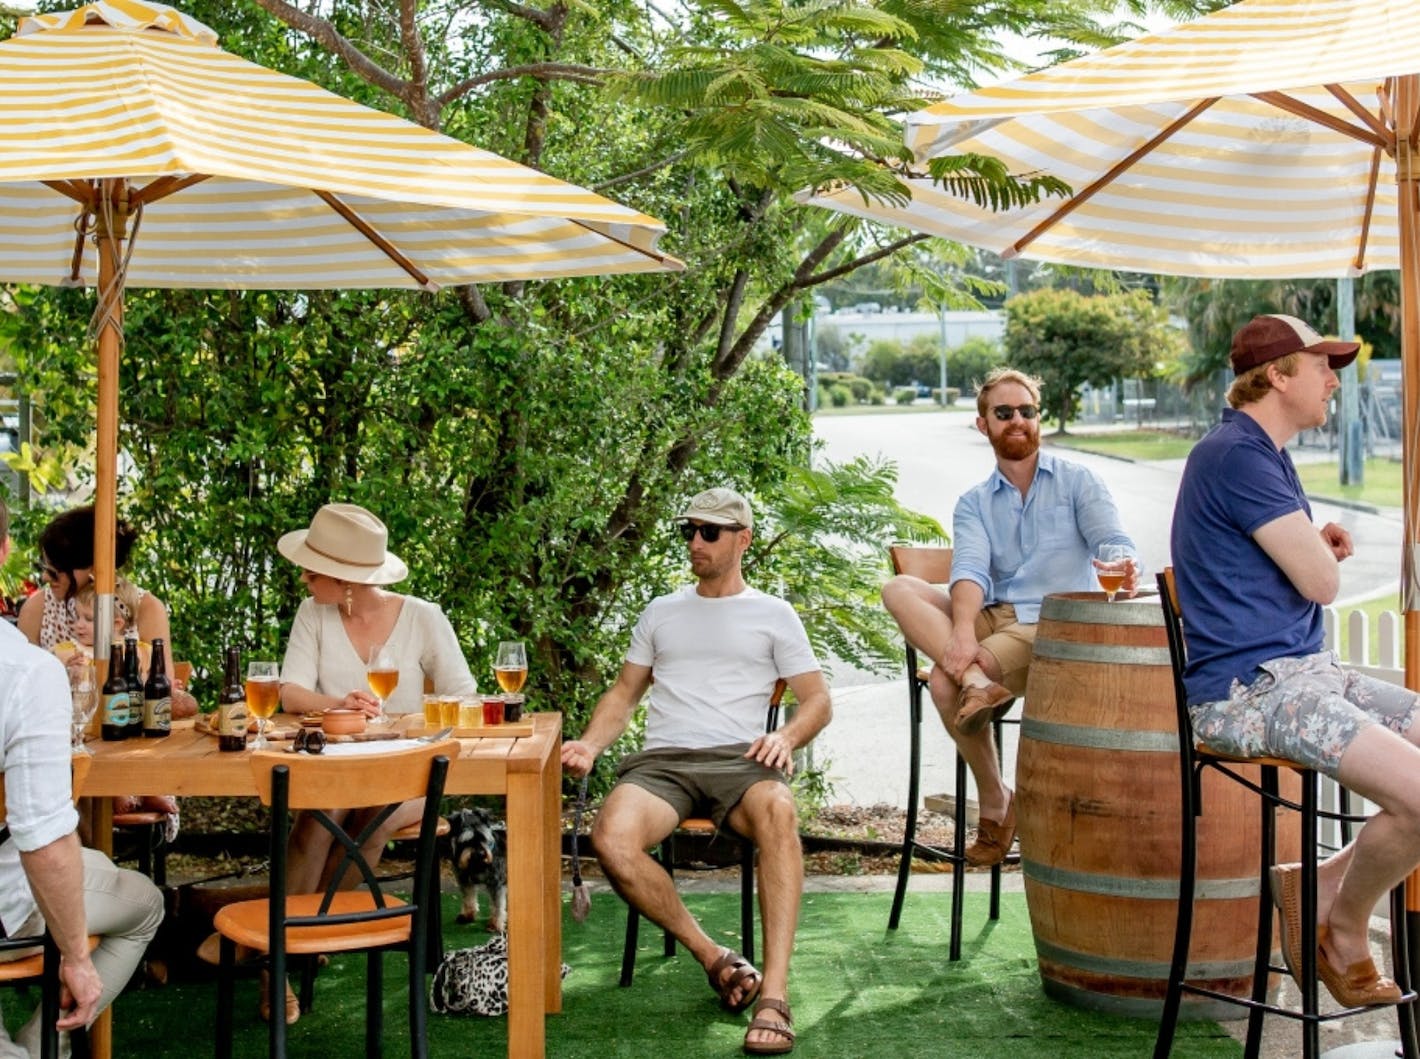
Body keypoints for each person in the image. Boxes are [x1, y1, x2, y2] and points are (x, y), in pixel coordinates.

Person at [1171, 313, 1420, 1008]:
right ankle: (1341, 928)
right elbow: (1321, 585)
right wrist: (1318, 555)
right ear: (1276, 376)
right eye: (1320, 366)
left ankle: (1319, 883)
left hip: (1305, 674)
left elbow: (1275, 564)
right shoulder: (1237, 455)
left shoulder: (1258, 453)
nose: (1333, 379)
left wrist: (1311, 540)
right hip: (1249, 695)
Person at [561, 487, 831, 1056]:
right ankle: (714, 956)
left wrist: (785, 737)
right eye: (690, 531)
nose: (696, 542)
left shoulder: (773, 615)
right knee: (610, 836)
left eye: (710, 532)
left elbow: (818, 701)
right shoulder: (661, 611)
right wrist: (588, 742)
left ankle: (774, 996)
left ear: (743, 540)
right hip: (665, 764)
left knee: (780, 810)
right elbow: (623, 694)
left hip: (742, 760)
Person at [880, 367, 1138, 868]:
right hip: (992, 616)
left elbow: (1114, 540)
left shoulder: (1078, 481)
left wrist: (1122, 564)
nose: (1017, 420)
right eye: (1004, 413)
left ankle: (996, 801)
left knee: (941, 684)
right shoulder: (974, 502)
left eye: (1027, 411)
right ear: (984, 425)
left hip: (1052, 624)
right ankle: (977, 682)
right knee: (900, 588)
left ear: (1037, 418)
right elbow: (970, 568)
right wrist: (960, 635)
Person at [258, 501, 477, 1025]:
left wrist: (402, 720)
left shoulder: (423, 617)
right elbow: (289, 693)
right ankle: (278, 959)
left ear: (346, 579)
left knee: (372, 816)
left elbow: (464, 697)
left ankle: (305, 934)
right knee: (320, 815)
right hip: (334, 763)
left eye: (312, 570)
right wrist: (336, 706)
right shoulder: (314, 613)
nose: (305, 578)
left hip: (410, 769)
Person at [0, 497, 164, 1058]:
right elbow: (42, 837)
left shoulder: (139, 609)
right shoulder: (22, 670)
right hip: (11, 894)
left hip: (85, 781)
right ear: (2, 551)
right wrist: (74, 956)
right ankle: (43, 1048)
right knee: (142, 903)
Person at [17, 506, 197, 717]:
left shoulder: (146, 609)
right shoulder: (37, 609)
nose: (46, 579)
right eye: (44, 568)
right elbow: (20, 691)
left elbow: (161, 699)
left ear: (95, 568)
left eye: (55, 572)